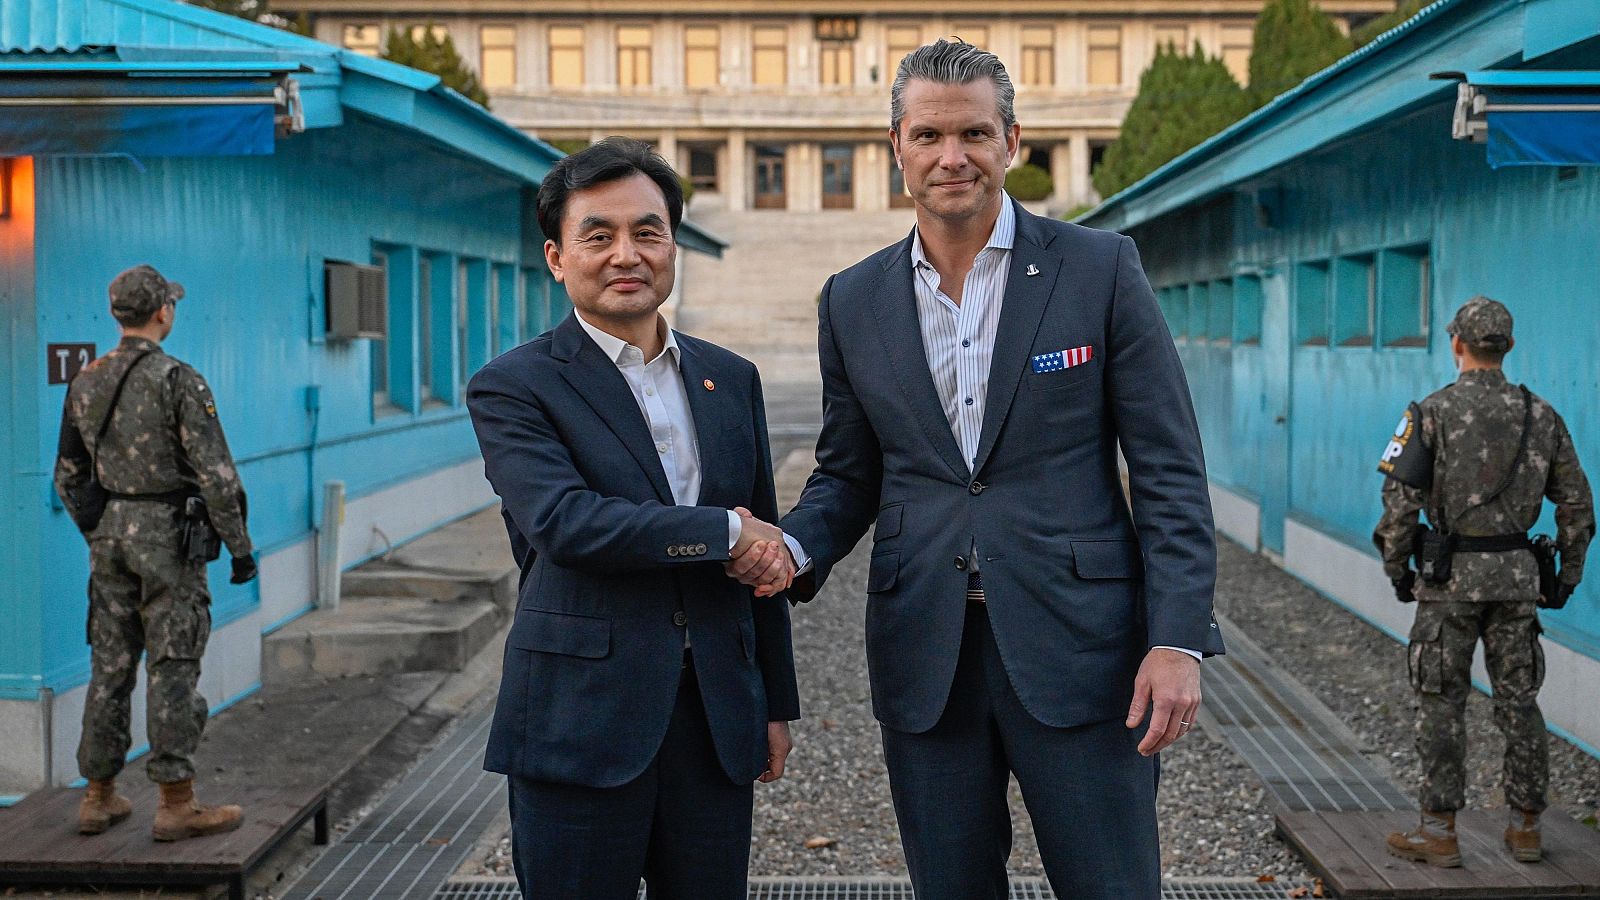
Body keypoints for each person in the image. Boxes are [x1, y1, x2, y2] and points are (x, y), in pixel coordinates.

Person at [728, 40, 1224, 900]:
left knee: (1112, 884)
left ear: (1012, 142)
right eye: (927, 136)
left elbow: (1170, 469)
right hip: (927, 653)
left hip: (1084, 649)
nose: (950, 156)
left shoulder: (1101, 269)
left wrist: (1176, 639)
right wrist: (793, 551)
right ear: (897, 148)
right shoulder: (852, 297)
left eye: (972, 134)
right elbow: (849, 473)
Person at [466, 137, 801, 900]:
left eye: (647, 232)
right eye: (599, 234)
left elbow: (766, 561)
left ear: (672, 245)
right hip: (579, 720)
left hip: (716, 719)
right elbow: (567, 523)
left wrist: (773, 705)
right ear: (557, 257)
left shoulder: (730, 377)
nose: (627, 253)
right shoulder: (514, 386)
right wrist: (722, 530)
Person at [1375, 296, 1593, 867]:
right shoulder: (1542, 415)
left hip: (1448, 585)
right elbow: (1577, 505)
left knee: (1441, 704)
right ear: (1509, 347)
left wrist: (1399, 571)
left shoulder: (1428, 413)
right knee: (1520, 702)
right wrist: (1565, 577)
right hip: (1518, 582)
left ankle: (1439, 830)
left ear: (1456, 345)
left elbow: (1398, 507)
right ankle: (1525, 828)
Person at [54, 264, 256, 841]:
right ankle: (175, 803)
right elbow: (217, 477)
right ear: (163, 311)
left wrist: (101, 530)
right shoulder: (179, 380)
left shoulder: (85, 380)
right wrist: (239, 549)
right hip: (169, 536)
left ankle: (98, 795)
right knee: (172, 665)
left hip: (109, 536)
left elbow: (67, 475)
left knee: (110, 665)